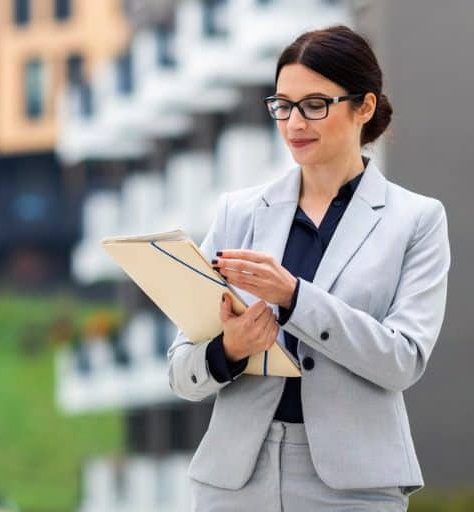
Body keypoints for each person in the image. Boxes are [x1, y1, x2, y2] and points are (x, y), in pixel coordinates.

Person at [167, 25, 451, 511]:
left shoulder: (417, 220)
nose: (295, 123)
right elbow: (180, 371)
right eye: (282, 105)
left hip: (354, 487)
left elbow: (402, 360)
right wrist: (229, 349)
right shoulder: (239, 212)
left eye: (315, 105)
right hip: (235, 482)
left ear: (363, 106)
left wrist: (295, 298)